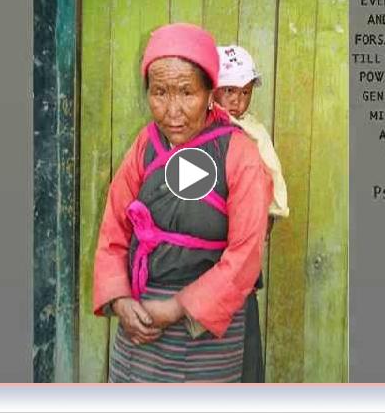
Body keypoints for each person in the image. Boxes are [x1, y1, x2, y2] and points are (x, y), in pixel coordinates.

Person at [93, 23, 273, 383]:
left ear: (210, 92)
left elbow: (245, 255)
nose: (172, 110)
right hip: (141, 322)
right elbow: (114, 230)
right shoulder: (146, 147)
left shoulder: (239, 154)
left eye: (186, 93)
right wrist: (119, 300)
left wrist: (178, 308)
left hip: (207, 327)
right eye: (159, 92)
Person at [214, 45, 290, 382]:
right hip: (198, 269)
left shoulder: (253, 133)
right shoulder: (193, 132)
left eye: (245, 93)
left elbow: (270, 182)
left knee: (242, 361)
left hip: (240, 267)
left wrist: (263, 220)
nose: (238, 102)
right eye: (230, 91)